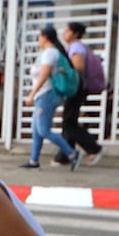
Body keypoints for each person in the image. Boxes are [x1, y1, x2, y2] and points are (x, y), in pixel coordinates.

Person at [21, 26, 80, 170]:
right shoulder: (47, 53)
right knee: (36, 130)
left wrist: (31, 95)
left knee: (43, 130)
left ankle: (72, 154)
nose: (38, 40)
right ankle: (33, 160)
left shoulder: (50, 53)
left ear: (45, 37)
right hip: (43, 95)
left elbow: (44, 75)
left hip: (47, 94)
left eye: (39, 37)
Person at [52, 21, 104, 167]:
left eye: (67, 31)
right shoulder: (79, 46)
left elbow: (79, 67)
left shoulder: (76, 47)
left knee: (69, 121)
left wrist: (63, 70)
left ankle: (93, 148)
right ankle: (65, 155)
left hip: (77, 87)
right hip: (79, 87)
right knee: (69, 120)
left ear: (74, 33)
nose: (64, 34)